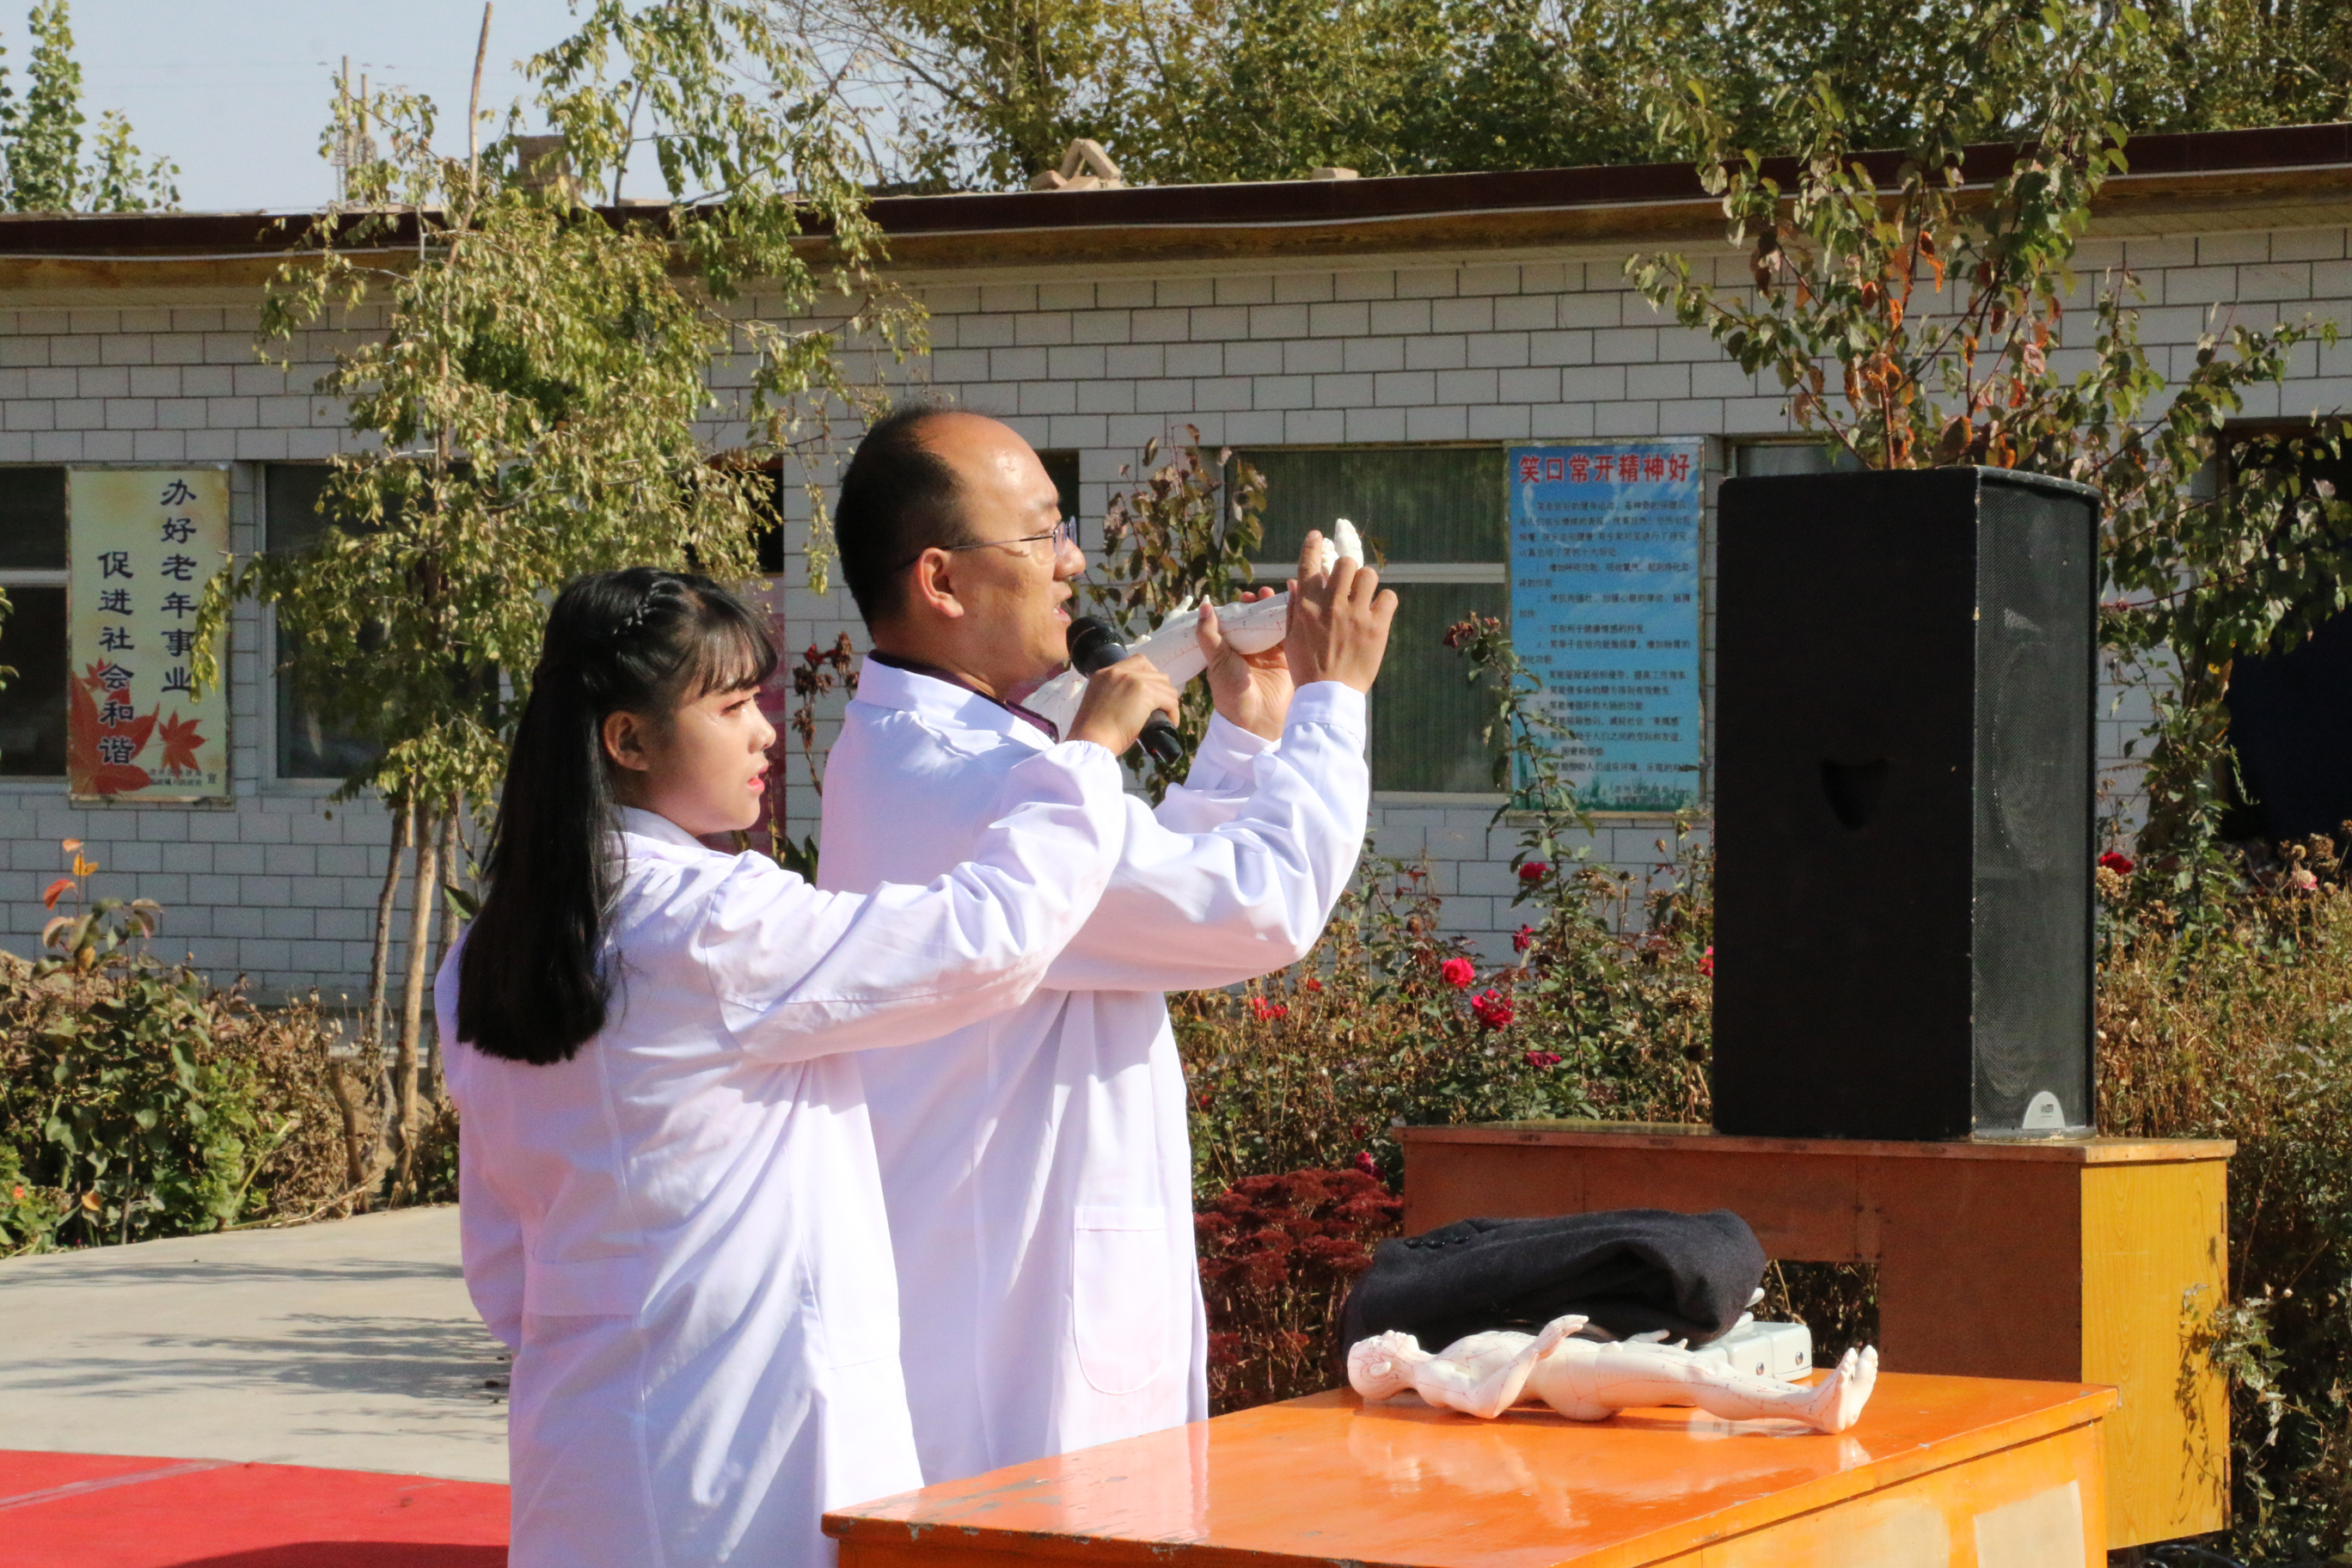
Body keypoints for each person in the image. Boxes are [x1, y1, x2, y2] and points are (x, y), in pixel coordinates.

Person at [436, 567, 1178, 1567]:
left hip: (584, 1444)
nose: (765, 733)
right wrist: (1086, 755)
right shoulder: (710, 924)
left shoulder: (485, 954)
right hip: (743, 1450)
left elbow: (503, 1263)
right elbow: (984, 937)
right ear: (628, 740)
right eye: (732, 706)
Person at [818, 406, 1398, 1482]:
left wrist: (1245, 735)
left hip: (1016, 1315)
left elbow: (1152, 906)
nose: (1073, 562)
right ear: (942, 580)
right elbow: (1259, 905)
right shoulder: (967, 781)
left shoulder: (940, 752)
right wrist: (1333, 697)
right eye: (1043, 534)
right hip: (1011, 1366)